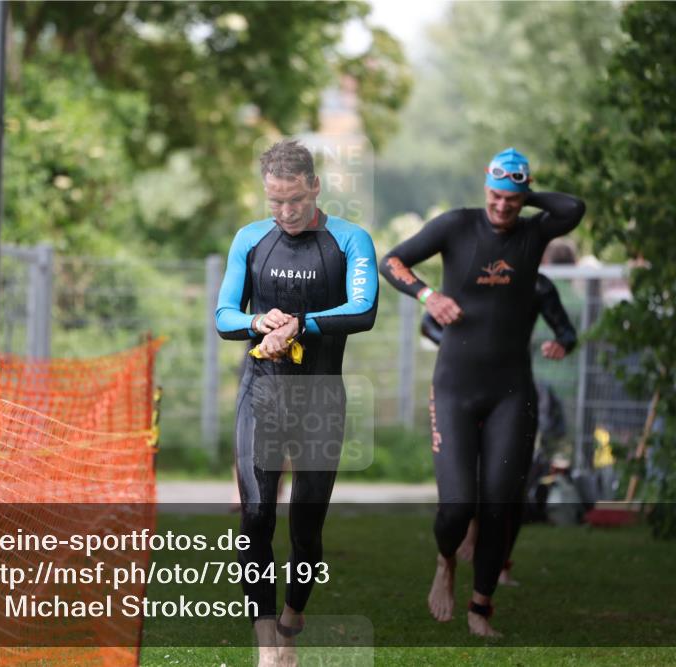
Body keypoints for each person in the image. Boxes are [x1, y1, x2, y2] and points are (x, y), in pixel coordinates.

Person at [379, 147, 585, 637]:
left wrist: (525, 190)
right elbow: (392, 261)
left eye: (511, 198)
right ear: (484, 190)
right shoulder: (456, 225)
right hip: (454, 387)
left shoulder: (536, 232)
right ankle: (445, 560)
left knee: (499, 502)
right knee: (456, 508)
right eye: (494, 194)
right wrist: (429, 295)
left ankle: (481, 607)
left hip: (512, 390)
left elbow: (573, 208)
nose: (501, 206)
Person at [216, 139, 378, 666]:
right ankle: (269, 646)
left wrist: (301, 324)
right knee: (256, 517)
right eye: (274, 202)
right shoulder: (251, 239)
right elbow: (223, 316)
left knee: (305, 530)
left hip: (319, 398)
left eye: (294, 201)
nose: (285, 213)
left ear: (314, 187)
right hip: (261, 390)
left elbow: (363, 309)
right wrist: (257, 322)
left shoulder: (350, 240)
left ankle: (292, 617)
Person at [422, 269, 578, 585]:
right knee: (466, 478)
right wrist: (459, 347)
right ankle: (462, 537)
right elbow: (428, 325)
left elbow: (567, 333)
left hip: (511, 394)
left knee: (509, 484)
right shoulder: (471, 270)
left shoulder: (537, 283)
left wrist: (561, 344)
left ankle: (500, 564)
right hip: (461, 391)